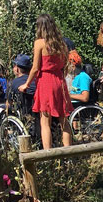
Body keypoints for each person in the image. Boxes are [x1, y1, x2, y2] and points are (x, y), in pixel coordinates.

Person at [19, 13, 74, 150]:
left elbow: (35, 67)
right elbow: (66, 64)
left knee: (45, 122)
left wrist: (26, 84)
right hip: (59, 80)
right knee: (63, 119)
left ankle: (48, 154)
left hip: (46, 81)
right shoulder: (61, 43)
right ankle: (68, 152)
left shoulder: (39, 43)